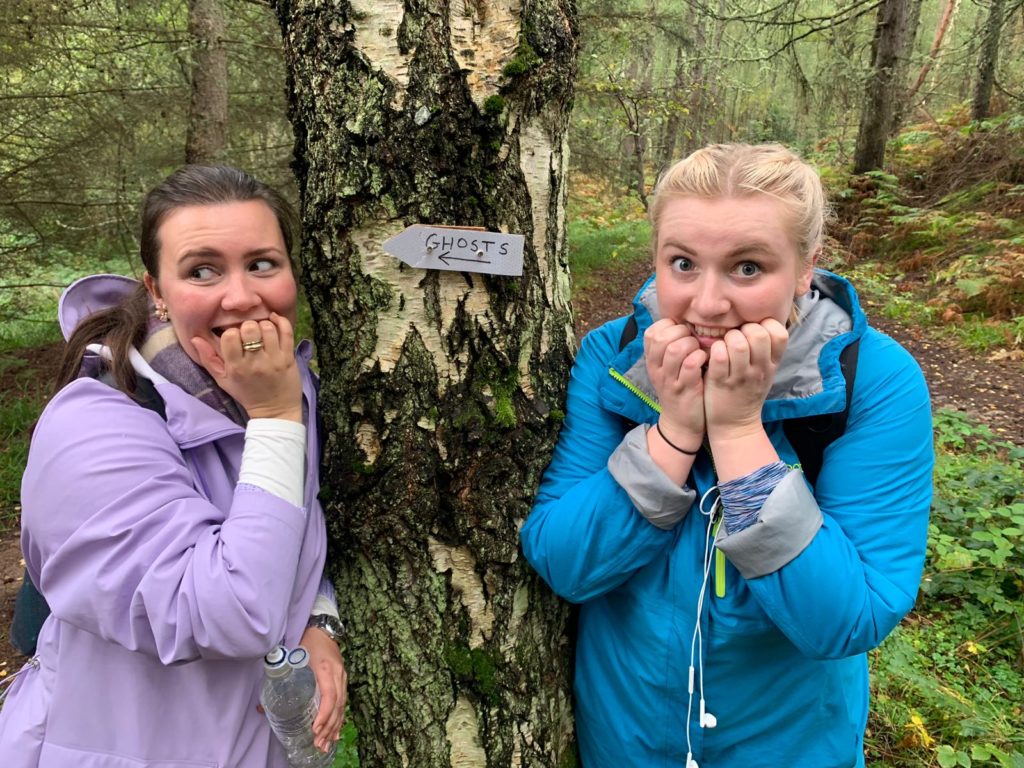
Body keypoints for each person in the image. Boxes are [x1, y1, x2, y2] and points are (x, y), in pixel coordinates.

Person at [520, 143, 934, 768]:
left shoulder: (874, 380)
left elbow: (846, 619)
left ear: (804, 269)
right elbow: (563, 562)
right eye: (683, 263)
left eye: (747, 268)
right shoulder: (614, 357)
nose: (707, 304)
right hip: (623, 739)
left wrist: (739, 431)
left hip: (791, 745)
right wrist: (676, 430)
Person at [0, 165, 347, 767]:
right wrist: (275, 415)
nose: (241, 296)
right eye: (201, 270)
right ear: (156, 289)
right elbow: (224, 613)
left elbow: (296, 531)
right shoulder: (94, 423)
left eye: (262, 263)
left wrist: (320, 621)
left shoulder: (285, 392)